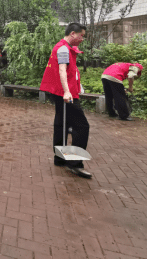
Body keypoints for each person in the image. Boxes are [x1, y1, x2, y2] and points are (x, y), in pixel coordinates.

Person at [40, 22, 92, 179]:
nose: (82, 39)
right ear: (73, 34)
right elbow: (62, 70)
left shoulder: (65, 48)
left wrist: (78, 86)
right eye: (81, 35)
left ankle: (60, 158)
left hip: (61, 92)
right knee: (82, 126)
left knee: (61, 125)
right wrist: (68, 92)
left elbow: (70, 70)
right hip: (65, 95)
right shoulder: (63, 48)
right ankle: (74, 164)